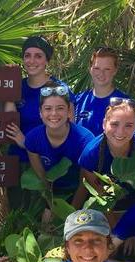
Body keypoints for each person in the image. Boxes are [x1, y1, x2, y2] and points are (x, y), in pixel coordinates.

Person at [5, 36, 73, 209]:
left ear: (47, 60)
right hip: (18, 162)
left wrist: (26, 142)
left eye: (38, 56)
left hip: (49, 163)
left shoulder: (60, 89)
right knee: (18, 216)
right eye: (27, 55)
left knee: (44, 215)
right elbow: (8, 122)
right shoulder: (16, 86)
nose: (32, 61)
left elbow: (69, 128)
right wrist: (8, 82)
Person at [77, 98, 135, 220]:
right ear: (104, 124)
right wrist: (116, 230)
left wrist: (131, 224)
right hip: (109, 209)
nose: (120, 132)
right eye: (114, 124)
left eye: (128, 125)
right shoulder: (91, 154)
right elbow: (100, 197)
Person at [19, 81, 95, 209]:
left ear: (69, 112)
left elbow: (86, 183)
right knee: (46, 222)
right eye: (48, 109)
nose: (54, 114)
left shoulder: (85, 140)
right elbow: (43, 179)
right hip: (53, 194)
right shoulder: (32, 139)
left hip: (82, 195)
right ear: (40, 112)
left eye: (60, 108)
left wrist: (70, 213)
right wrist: (53, 207)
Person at [74, 46, 129, 137]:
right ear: (90, 69)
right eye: (97, 68)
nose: (101, 74)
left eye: (107, 69)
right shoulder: (78, 100)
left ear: (115, 71)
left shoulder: (124, 103)